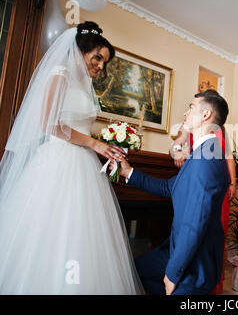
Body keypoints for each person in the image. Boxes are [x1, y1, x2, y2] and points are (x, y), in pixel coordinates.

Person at [0, 22, 144, 294]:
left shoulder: (84, 84)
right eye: (98, 57)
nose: (101, 66)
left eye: (105, 62)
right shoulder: (60, 74)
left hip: (85, 165)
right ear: (81, 50)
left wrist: (106, 144)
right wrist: (95, 144)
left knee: (83, 236)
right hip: (58, 163)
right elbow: (49, 123)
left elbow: (80, 126)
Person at [113, 91, 230, 295]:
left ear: (205, 115)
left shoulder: (207, 161)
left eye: (191, 107)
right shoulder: (201, 153)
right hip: (175, 250)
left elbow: (194, 225)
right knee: (137, 268)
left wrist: (172, 274)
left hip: (195, 265)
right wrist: (128, 172)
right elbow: (169, 187)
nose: (185, 112)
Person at [169, 89, 236, 294]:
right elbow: (173, 147)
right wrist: (180, 152)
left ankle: (211, 283)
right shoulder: (190, 128)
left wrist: (233, 183)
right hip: (195, 180)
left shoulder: (219, 131)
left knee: (212, 229)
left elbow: (228, 156)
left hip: (216, 183)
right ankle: (191, 280)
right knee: (197, 227)